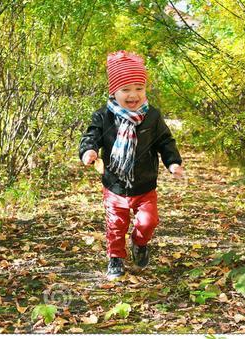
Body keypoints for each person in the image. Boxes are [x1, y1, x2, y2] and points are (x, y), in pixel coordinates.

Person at [78, 50, 184, 280]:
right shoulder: (104, 116)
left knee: (149, 221)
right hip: (114, 184)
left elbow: (165, 141)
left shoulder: (152, 117)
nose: (133, 95)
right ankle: (115, 258)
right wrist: (89, 150)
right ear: (114, 91)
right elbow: (92, 136)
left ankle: (139, 241)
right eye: (125, 89)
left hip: (145, 184)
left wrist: (173, 162)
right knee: (116, 225)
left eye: (139, 88)